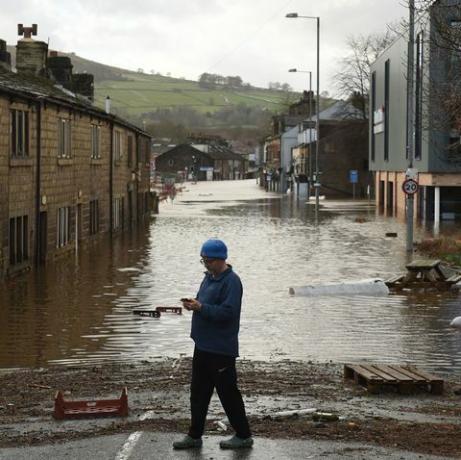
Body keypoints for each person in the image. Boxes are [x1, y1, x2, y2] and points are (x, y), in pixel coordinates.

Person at [173, 239, 253, 450]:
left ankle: (244, 436)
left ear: (221, 259)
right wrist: (194, 305)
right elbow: (205, 304)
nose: (206, 265)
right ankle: (194, 435)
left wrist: (201, 308)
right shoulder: (208, 278)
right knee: (198, 393)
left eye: (208, 261)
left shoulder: (232, 282)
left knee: (228, 393)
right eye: (203, 261)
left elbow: (228, 313)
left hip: (221, 349)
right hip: (202, 346)